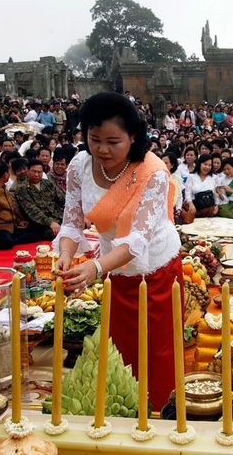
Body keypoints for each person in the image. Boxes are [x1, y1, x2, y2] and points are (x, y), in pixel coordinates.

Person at [54, 92, 181, 410]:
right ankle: (126, 413)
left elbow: (137, 241)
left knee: (157, 352)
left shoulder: (151, 173)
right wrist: (66, 256)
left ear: (133, 137)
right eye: (94, 139)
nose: (102, 149)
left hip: (155, 269)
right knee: (120, 350)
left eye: (113, 141)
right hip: (115, 268)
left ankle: (160, 415)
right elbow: (72, 222)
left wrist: (95, 268)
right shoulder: (79, 166)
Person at [0, 161, 40, 249]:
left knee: (36, 232)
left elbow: (11, 207)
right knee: (6, 242)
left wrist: (19, 221)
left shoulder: (2, 187)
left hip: (11, 225)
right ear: (5, 174)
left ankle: (13, 239)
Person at [14, 159, 65, 238]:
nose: (37, 175)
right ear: (27, 171)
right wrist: (50, 222)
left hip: (58, 217)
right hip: (40, 223)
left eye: (39, 172)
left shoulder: (48, 183)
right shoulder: (22, 188)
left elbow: (62, 199)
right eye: (34, 171)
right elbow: (32, 210)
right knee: (57, 234)